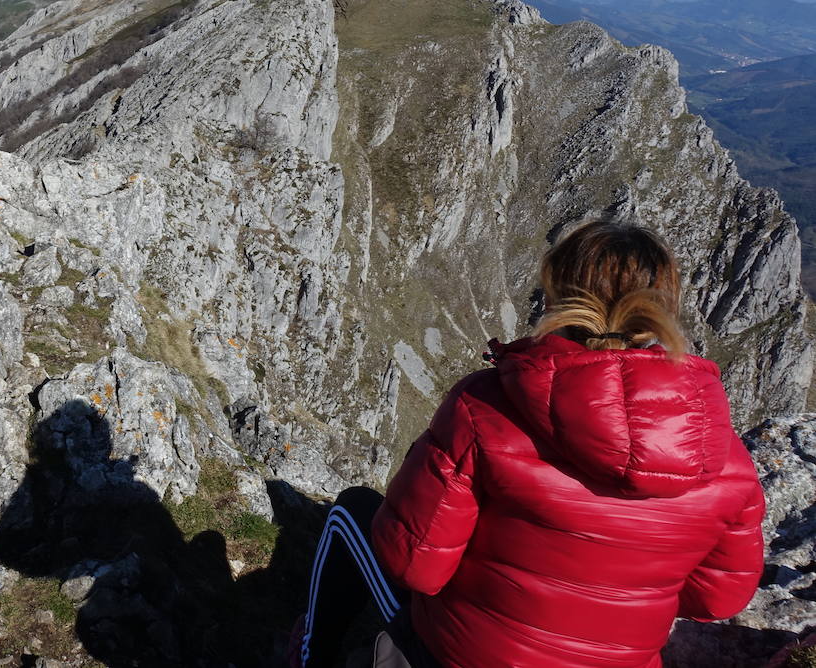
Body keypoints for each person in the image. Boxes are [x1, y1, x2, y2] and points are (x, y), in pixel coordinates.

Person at [295, 221, 765, 668]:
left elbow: (414, 566)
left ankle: (304, 657)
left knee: (350, 512)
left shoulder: (485, 407)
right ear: (664, 310)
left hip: (464, 655)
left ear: (558, 295)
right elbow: (717, 599)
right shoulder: (727, 458)